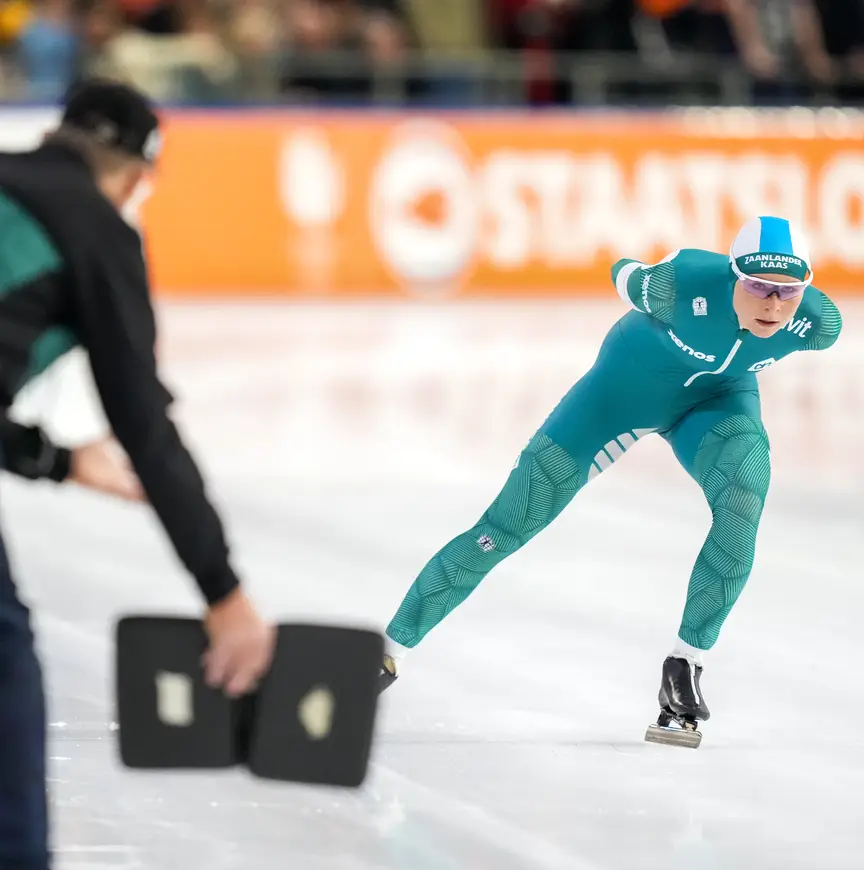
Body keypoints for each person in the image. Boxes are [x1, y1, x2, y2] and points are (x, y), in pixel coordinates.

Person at [378, 216, 842, 747]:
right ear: (734, 275)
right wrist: (645, 273)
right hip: (616, 397)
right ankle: (388, 651)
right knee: (506, 526)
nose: (773, 304)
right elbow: (622, 271)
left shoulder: (818, 324)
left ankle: (685, 665)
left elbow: (789, 319)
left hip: (715, 404)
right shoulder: (681, 283)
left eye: (787, 291)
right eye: (759, 285)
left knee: (744, 499)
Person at [0, 78, 275, 870]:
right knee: (3, 677)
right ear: (134, 177)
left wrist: (51, 459)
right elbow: (147, 432)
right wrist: (223, 592)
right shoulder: (99, 234)